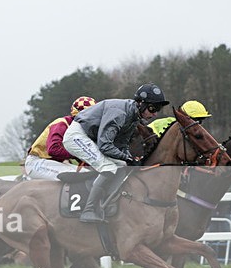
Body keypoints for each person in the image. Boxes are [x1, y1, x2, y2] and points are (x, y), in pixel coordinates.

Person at [62, 83, 170, 223]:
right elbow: (105, 145)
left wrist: (130, 159)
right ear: (140, 103)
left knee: (122, 165)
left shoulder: (134, 116)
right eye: (152, 108)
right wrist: (128, 158)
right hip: (77, 136)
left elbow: (122, 144)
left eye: (158, 109)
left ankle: (107, 202)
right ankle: (88, 210)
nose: (155, 113)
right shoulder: (119, 114)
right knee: (108, 167)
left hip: (90, 137)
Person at [25, 96, 97, 180]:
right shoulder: (61, 124)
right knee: (79, 175)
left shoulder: (81, 131)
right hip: (37, 163)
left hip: (53, 163)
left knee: (88, 173)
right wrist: (78, 154)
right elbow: (53, 149)